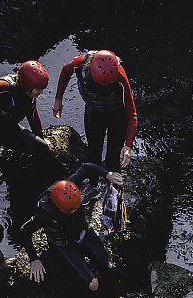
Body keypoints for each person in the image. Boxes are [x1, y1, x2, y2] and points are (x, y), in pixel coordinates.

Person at [20, 162, 136, 298]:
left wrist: (107, 174)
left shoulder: (69, 183)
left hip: (83, 233)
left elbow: (87, 167)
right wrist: (34, 258)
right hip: (64, 246)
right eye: (70, 210)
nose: (74, 211)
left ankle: (116, 296)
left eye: (76, 207)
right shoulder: (44, 211)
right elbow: (25, 230)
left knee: (109, 268)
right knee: (93, 283)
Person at [52, 49, 137, 215]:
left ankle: (114, 191)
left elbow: (132, 114)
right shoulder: (80, 63)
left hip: (116, 115)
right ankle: (93, 187)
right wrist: (58, 98)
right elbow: (65, 71)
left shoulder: (120, 76)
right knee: (93, 153)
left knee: (113, 157)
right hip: (93, 111)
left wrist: (128, 145)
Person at [0, 61, 61, 194]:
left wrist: (40, 139)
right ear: (27, 85)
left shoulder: (30, 96)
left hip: (6, 131)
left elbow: (34, 119)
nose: (41, 92)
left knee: (41, 147)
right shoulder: (5, 87)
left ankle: (57, 183)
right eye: (38, 89)